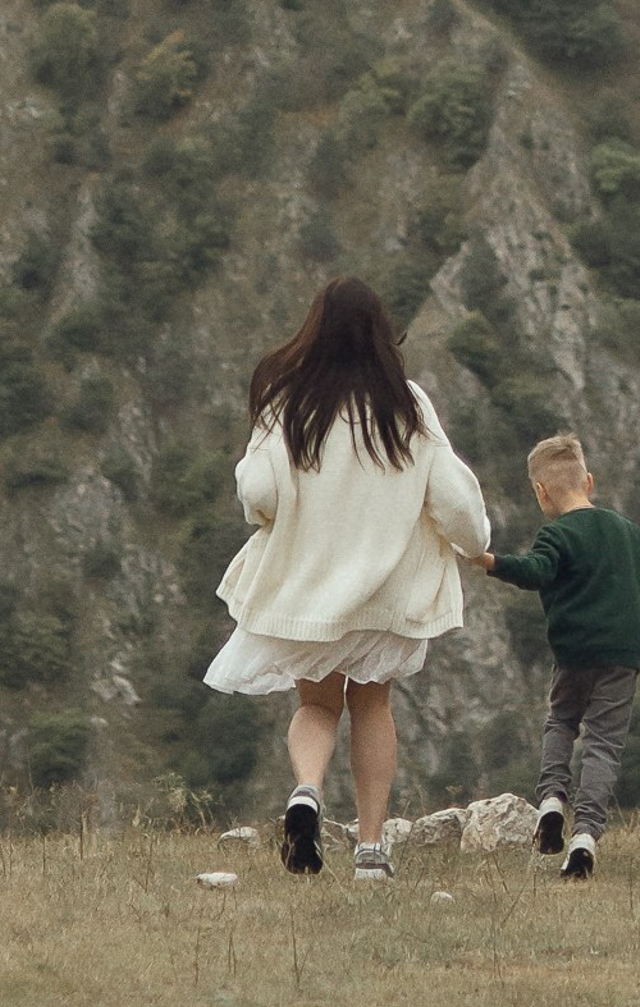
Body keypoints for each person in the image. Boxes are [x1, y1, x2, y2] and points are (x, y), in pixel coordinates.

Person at [204, 275, 491, 884]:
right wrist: (477, 547)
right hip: (388, 592)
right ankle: (370, 850)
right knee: (373, 705)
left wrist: (270, 518)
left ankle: (306, 792)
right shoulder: (405, 404)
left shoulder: (288, 403)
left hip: (311, 587)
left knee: (316, 704)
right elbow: (454, 501)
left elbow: (257, 493)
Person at [475, 429, 640, 879]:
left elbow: (535, 571)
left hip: (572, 654)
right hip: (622, 656)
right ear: (589, 481)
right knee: (603, 743)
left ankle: (550, 801)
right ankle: (585, 836)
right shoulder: (624, 532)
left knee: (562, 722)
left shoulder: (556, 535)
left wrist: (490, 561)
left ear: (540, 491)